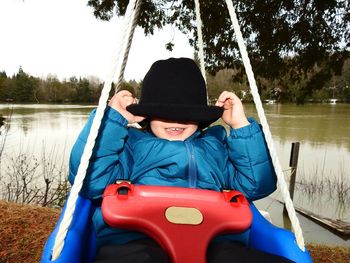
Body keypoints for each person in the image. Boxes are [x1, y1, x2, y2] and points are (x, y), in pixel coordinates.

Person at [69, 57, 292, 262]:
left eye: (187, 112)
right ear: (147, 113)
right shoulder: (131, 146)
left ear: (200, 116)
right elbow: (89, 180)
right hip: (137, 238)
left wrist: (241, 126)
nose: (176, 120)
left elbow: (256, 186)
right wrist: (112, 119)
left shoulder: (215, 147)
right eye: (164, 111)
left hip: (216, 240)